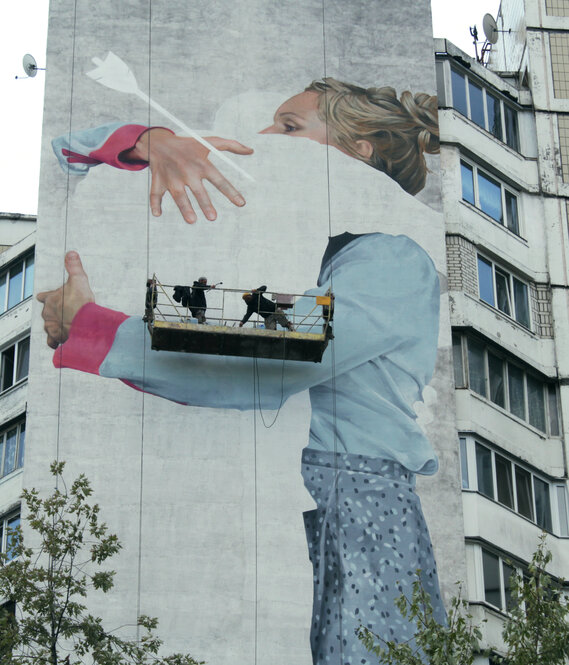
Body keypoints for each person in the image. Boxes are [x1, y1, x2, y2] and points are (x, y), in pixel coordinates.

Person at [42, 78, 444, 665]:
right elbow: (69, 149)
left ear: (359, 153)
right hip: (308, 497)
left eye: (288, 127)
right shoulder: (318, 251)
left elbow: (279, 347)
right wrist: (153, 141)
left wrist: (97, 327)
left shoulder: (391, 256)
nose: (264, 140)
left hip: (362, 505)